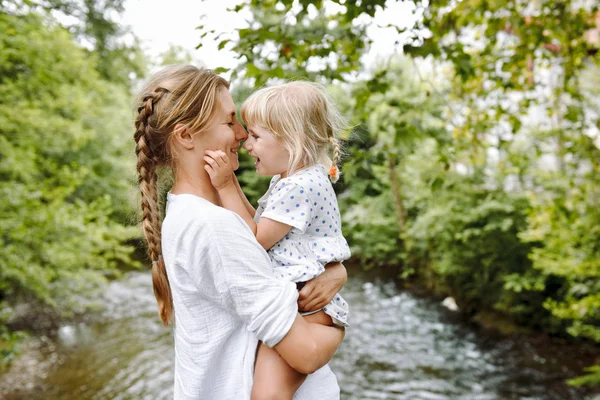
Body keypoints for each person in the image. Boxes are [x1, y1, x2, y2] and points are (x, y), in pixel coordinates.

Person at [132, 65, 347, 400]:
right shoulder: (213, 227)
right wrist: (340, 325)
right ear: (186, 136)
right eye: (229, 121)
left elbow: (273, 245)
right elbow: (306, 352)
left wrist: (333, 270)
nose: (243, 134)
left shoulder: (199, 212)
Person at [203, 81, 351, 400]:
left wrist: (227, 185)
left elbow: (253, 240)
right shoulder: (292, 179)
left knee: (267, 396)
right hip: (306, 308)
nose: (246, 144)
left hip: (306, 312)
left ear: (290, 140)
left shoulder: (298, 187)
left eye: (256, 136)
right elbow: (257, 223)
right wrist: (231, 189)